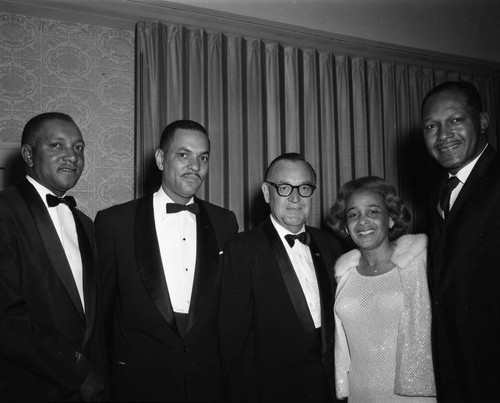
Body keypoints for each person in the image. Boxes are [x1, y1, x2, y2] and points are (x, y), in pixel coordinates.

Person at [95, 119, 238, 401]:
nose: (195, 167)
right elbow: (102, 316)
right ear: (161, 159)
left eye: (203, 158)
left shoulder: (225, 222)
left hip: (207, 383)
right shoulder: (115, 222)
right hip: (138, 384)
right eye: (183, 155)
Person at [218, 152, 342, 402]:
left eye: (304, 188)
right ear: (267, 193)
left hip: (331, 390)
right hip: (271, 392)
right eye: (285, 187)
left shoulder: (332, 245)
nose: (296, 198)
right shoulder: (241, 249)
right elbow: (233, 341)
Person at [0, 112, 107, 401]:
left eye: (78, 147)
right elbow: (7, 318)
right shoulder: (5, 210)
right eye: (56, 145)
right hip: (30, 387)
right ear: (28, 154)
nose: (72, 156)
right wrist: (79, 374)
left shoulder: (86, 223)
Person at [421, 81, 500, 401]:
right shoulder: (439, 194)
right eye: (431, 125)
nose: (442, 135)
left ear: (482, 121)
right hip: (456, 369)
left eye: (455, 120)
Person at [328, 176, 436, 402]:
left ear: (390, 219)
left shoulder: (421, 264)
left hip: (414, 396)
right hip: (360, 394)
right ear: (346, 227)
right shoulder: (344, 275)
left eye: (373, 212)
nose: (362, 222)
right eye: (353, 214)